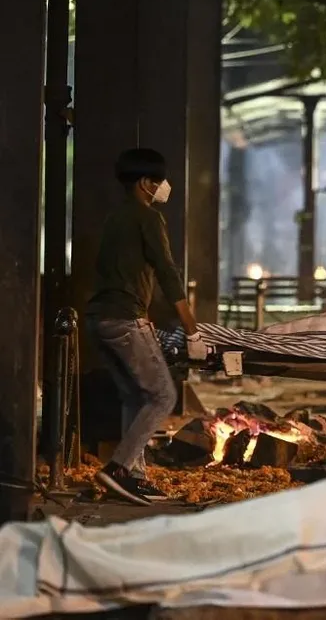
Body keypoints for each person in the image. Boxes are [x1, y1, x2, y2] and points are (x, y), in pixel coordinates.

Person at [86, 148, 208, 506]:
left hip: (99, 319)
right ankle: (119, 468)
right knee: (163, 395)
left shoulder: (115, 218)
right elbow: (168, 273)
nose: (164, 187)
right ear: (145, 183)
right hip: (124, 318)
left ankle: (134, 477)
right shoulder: (148, 217)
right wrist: (192, 330)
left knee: (135, 396)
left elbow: (119, 272)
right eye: (160, 181)